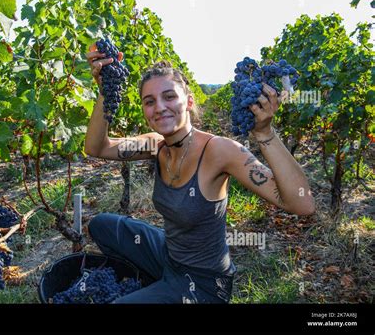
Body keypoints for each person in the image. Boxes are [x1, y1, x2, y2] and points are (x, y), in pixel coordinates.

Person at [84, 46, 315, 303]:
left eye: (169, 97)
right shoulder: (155, 145)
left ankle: (162, 290)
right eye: (150, 101)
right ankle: (159, 284)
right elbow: (97, 147)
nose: (159, 107)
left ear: (189, 102)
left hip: (203, 282)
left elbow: (302, 203)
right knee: (100, 225)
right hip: (170, 255)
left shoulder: (219, 150)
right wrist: (106, 89)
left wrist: (264, 133)